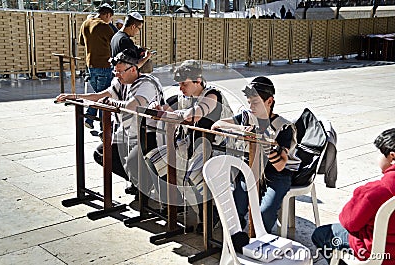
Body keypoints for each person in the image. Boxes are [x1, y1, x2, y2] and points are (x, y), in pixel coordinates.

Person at [145, 60, 233, 230]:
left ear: (198, 81)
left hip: (218, 149)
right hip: (190, 147)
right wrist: (155, 106)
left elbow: (196, 114)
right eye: (179, 84)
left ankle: (210, 215)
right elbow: (163, 108)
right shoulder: (185, 97)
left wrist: (175, 113)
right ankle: (178, 204)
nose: (180, 88)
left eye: (184, 84)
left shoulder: (212, 95)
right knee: (154, 160)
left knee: (193, 173)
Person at [55, 50, 164, 187]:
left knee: (131, 163)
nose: (117, 75)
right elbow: (102, 95)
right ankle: (139, 184)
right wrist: (75, 96)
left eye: (120, 72)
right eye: (115, 72)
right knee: (101, 154)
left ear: (133, 69)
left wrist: (111, 102)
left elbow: (131, 107)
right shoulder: (121, 82)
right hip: (128, 133)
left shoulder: (147, 83)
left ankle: (145, 188)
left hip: (149, 133)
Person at [211, 76, 300, 232]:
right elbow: (217, 125)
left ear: (269, 101)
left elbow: (280, 165)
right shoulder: (247, 118)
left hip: (276, 176)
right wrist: (241, 129)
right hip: (251, 170)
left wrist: (264, 142)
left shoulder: (283, 126)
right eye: (250, 102)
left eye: (256, 102)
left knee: (264, 214)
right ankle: (236, 239)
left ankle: (261, 241)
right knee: (235, 209)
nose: (251, 106)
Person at [312, 128, 395, 264]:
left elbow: (349, 222)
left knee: (322, 234)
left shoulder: (375, 190)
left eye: (380, 153)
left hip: (380, 254)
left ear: (392, 157)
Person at [79, 3, 115, 131]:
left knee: (98, 94)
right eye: (110, 18)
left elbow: (82, 42)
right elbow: (115, 42)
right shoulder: (104, 26)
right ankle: (103, 127)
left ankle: (90, 117)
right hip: (104, 64)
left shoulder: (86, 23)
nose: (110, 21)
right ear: (107, 14)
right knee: (103, 97)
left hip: (91, 65)